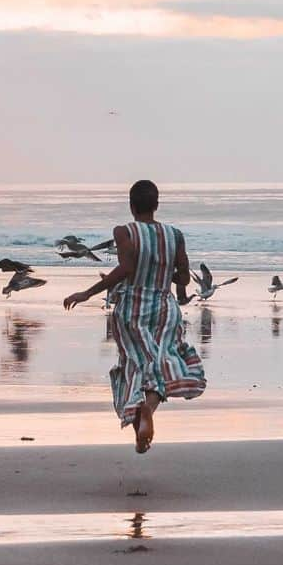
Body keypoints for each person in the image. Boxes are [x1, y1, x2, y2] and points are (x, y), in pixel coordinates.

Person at [63, 178, 206, 452]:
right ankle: (147, 413)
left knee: (134, 365)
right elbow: (185, 279)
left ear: (131, 206)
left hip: (133, 309)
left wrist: (87, 293)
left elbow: (126, 268)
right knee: (160, 363)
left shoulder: (124, 232)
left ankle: (140, 418)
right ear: (156, 205)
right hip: (165, 309)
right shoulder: (174, 235)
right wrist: (163, 273)